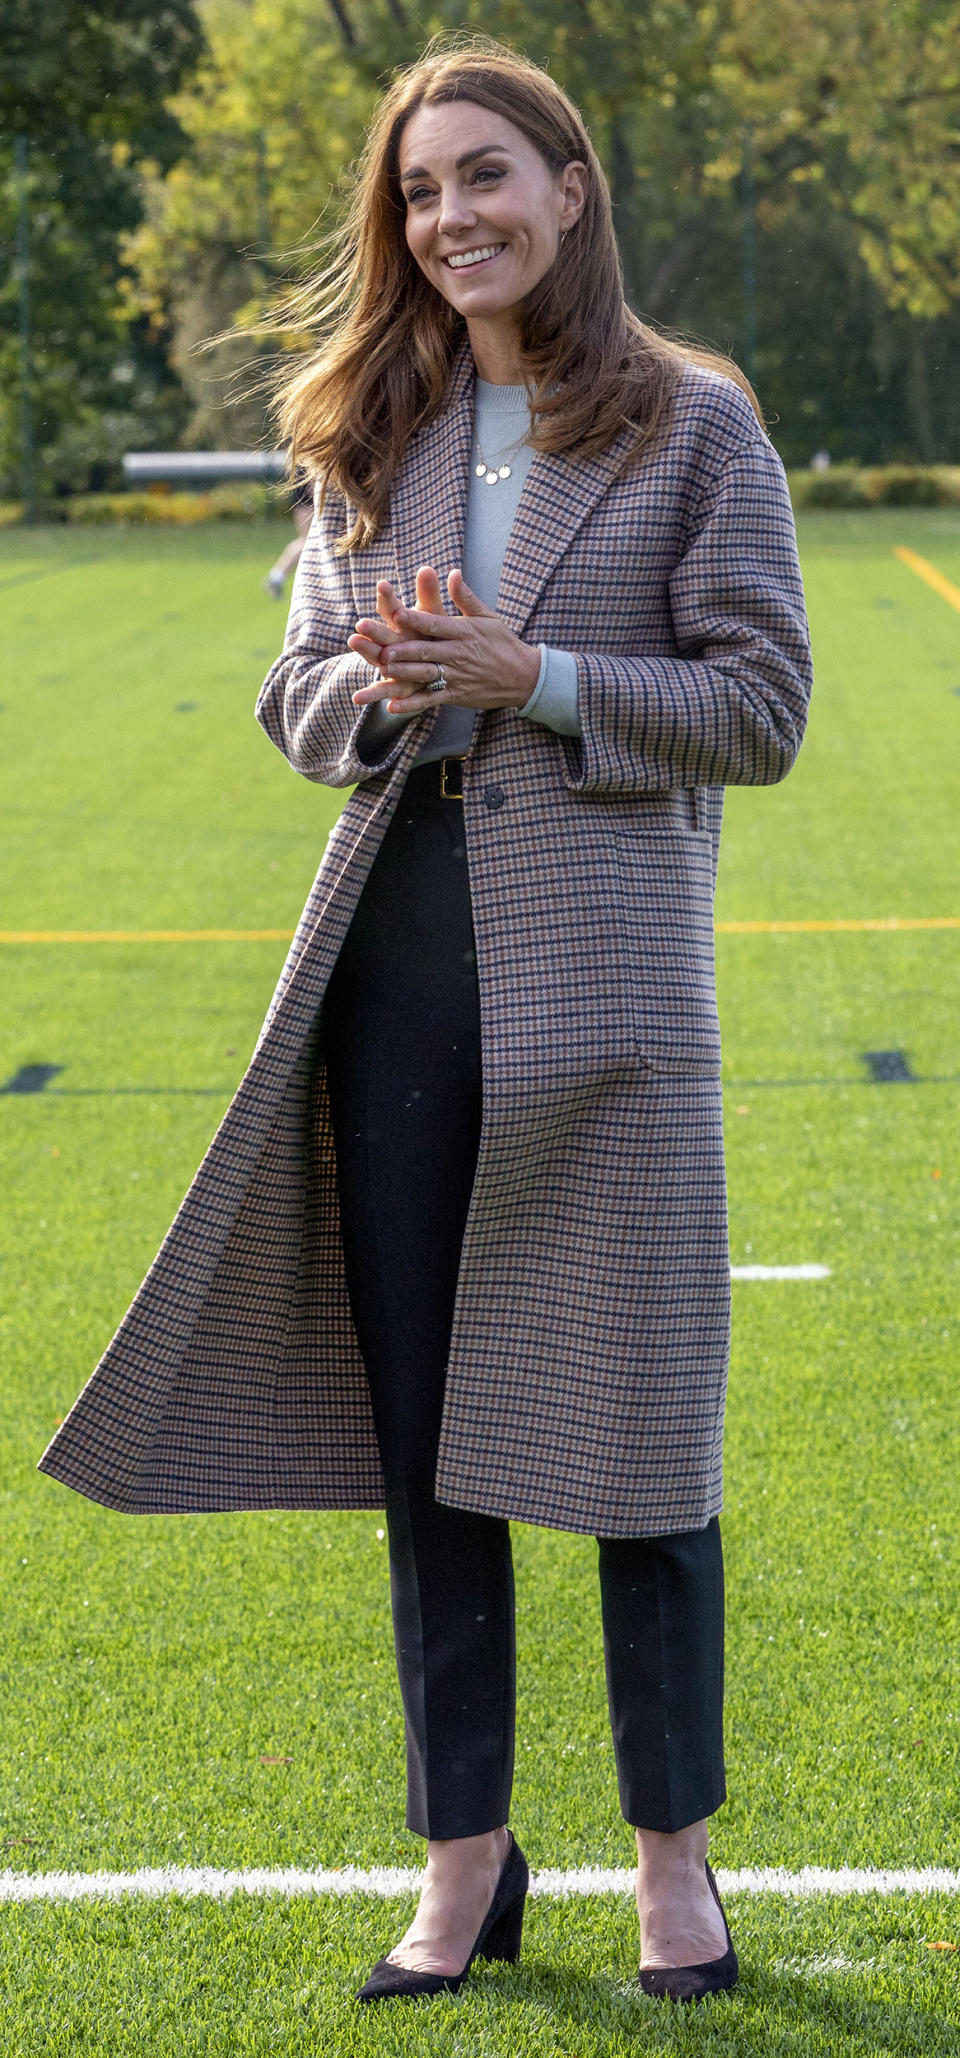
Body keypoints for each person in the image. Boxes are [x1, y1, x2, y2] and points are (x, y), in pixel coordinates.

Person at [39, 36, 812, 2007]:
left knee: (645, 1436)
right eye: (416, 190)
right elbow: (297, 696)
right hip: (392, 971)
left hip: (609, 994)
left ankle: (675, 1868)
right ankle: (464, 1862)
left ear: (569, 190)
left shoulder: (695, 428)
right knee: (424, 1444)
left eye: (486, 176)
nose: (448, 216)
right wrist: (388, 688)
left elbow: (763, 706)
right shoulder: (362, 433)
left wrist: (537, 671)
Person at [262, 473, 313, 597]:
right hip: (307, 505)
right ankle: (276, 577)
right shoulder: (306, 459)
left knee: (306, 542)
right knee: (308, 543)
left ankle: (276, 576)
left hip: (304, 504)